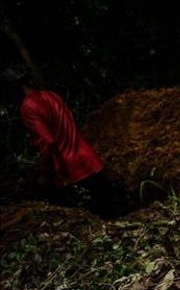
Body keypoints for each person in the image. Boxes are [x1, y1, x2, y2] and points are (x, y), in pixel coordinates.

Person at [3, 67, 123, 218]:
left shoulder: (27, 107)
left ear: (11, 90)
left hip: (71, 172)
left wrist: (45, 175)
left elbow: (48, 142)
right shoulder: (51, 95)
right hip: (90, 160)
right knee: (111, 213)